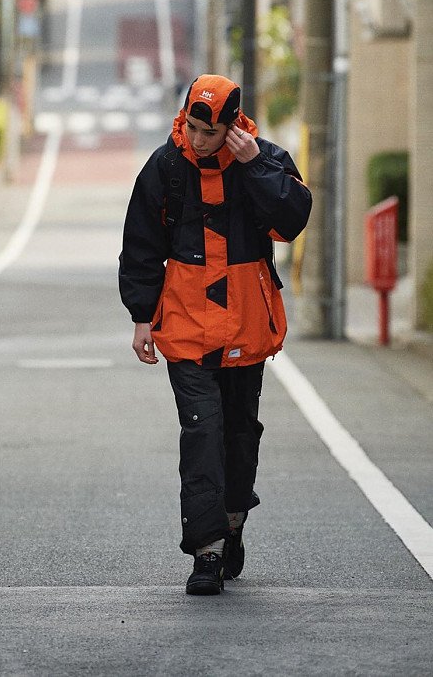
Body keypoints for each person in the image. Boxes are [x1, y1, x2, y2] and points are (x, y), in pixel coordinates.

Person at [118, 74, 312, 595]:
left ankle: (231, 528)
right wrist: (141, 317)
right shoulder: (165, 166)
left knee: (239, 430)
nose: (198, 139)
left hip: (246, 325)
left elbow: (291, 221)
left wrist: (253, 166)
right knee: (202, 430)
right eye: (192, 127)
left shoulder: (263, 159)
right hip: (183, 325)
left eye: (210, 132)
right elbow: (140, 242)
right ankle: (205, 553)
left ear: (232, 127)